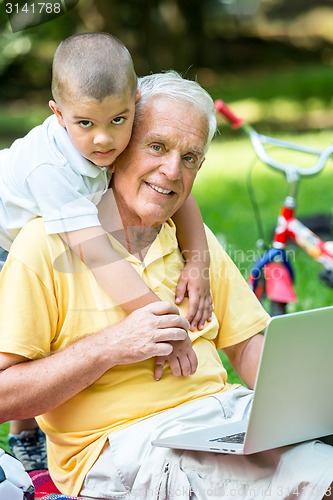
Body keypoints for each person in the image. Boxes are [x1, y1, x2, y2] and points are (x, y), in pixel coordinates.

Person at [0, 71, 333, 499]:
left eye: (190, 157)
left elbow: (249, 345)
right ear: (116, 148)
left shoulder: (192, 243)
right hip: (127, 445)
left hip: (224, 419)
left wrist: (310, 401)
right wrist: (111, 346)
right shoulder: (43, 244)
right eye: (156, 147)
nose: (172, 170)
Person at [0, 33, 212, 470]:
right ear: (58, 116)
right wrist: (166, 328)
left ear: (134, 102)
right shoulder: (51, 169)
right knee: (19, 341)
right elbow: (98, 254)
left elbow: (180, 193)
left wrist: (198, 261)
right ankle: (23, 441)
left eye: (118, 120)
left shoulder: (118, 131)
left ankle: (26, 435)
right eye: (85, 124)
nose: (102, 140)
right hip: (2, 239)